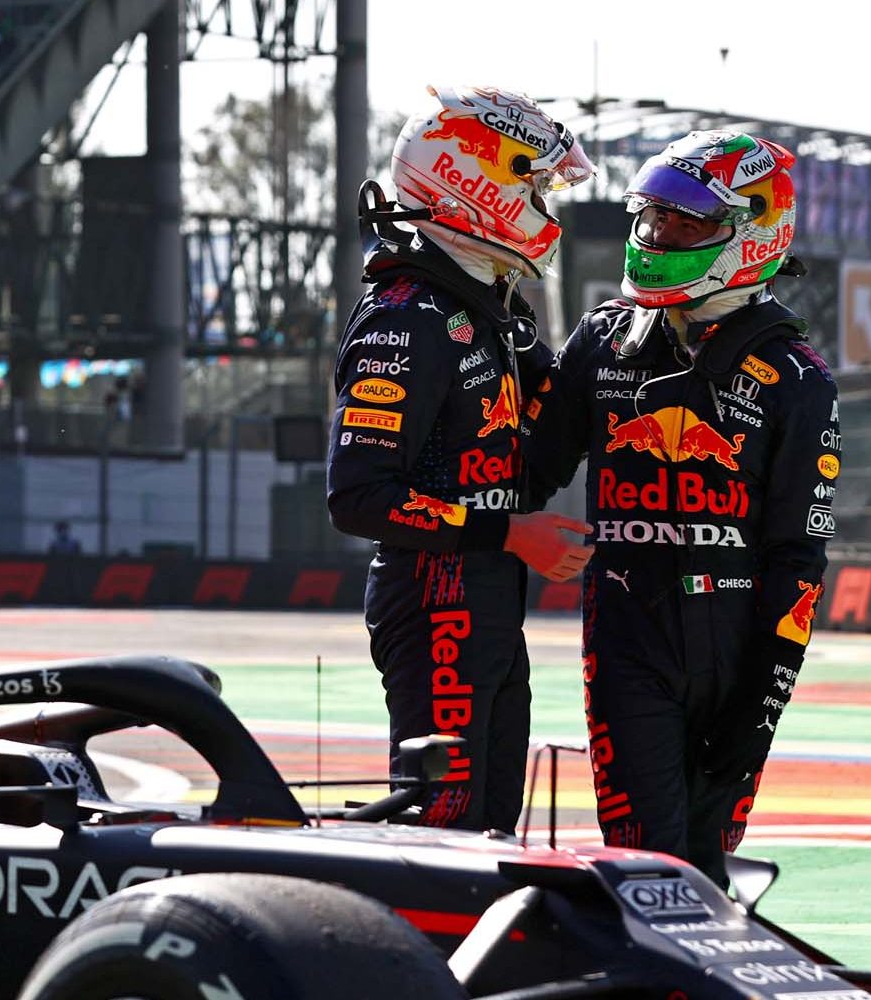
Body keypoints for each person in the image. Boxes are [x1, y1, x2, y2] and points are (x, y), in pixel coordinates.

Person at [526, 130, 838, 887]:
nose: (660, 235)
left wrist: (761, 702)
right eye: (655, 217)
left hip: (739, 654)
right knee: (643, 868)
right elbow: (528, 471)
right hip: (627, 635)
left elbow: (798, 560)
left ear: (752, 231)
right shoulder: (601, 338)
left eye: (687, 223)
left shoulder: (797, 377)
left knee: (705, 869)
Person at [326, 86, 595, 833]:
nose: (546, 206)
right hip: (436, 591)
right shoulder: (406, 316)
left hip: (490, 599)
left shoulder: (488, 305)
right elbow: (359, 498)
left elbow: (556, 415)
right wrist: (510, 534)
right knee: (444, 831)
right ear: (474, 184)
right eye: (534, 186)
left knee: (492, 828)